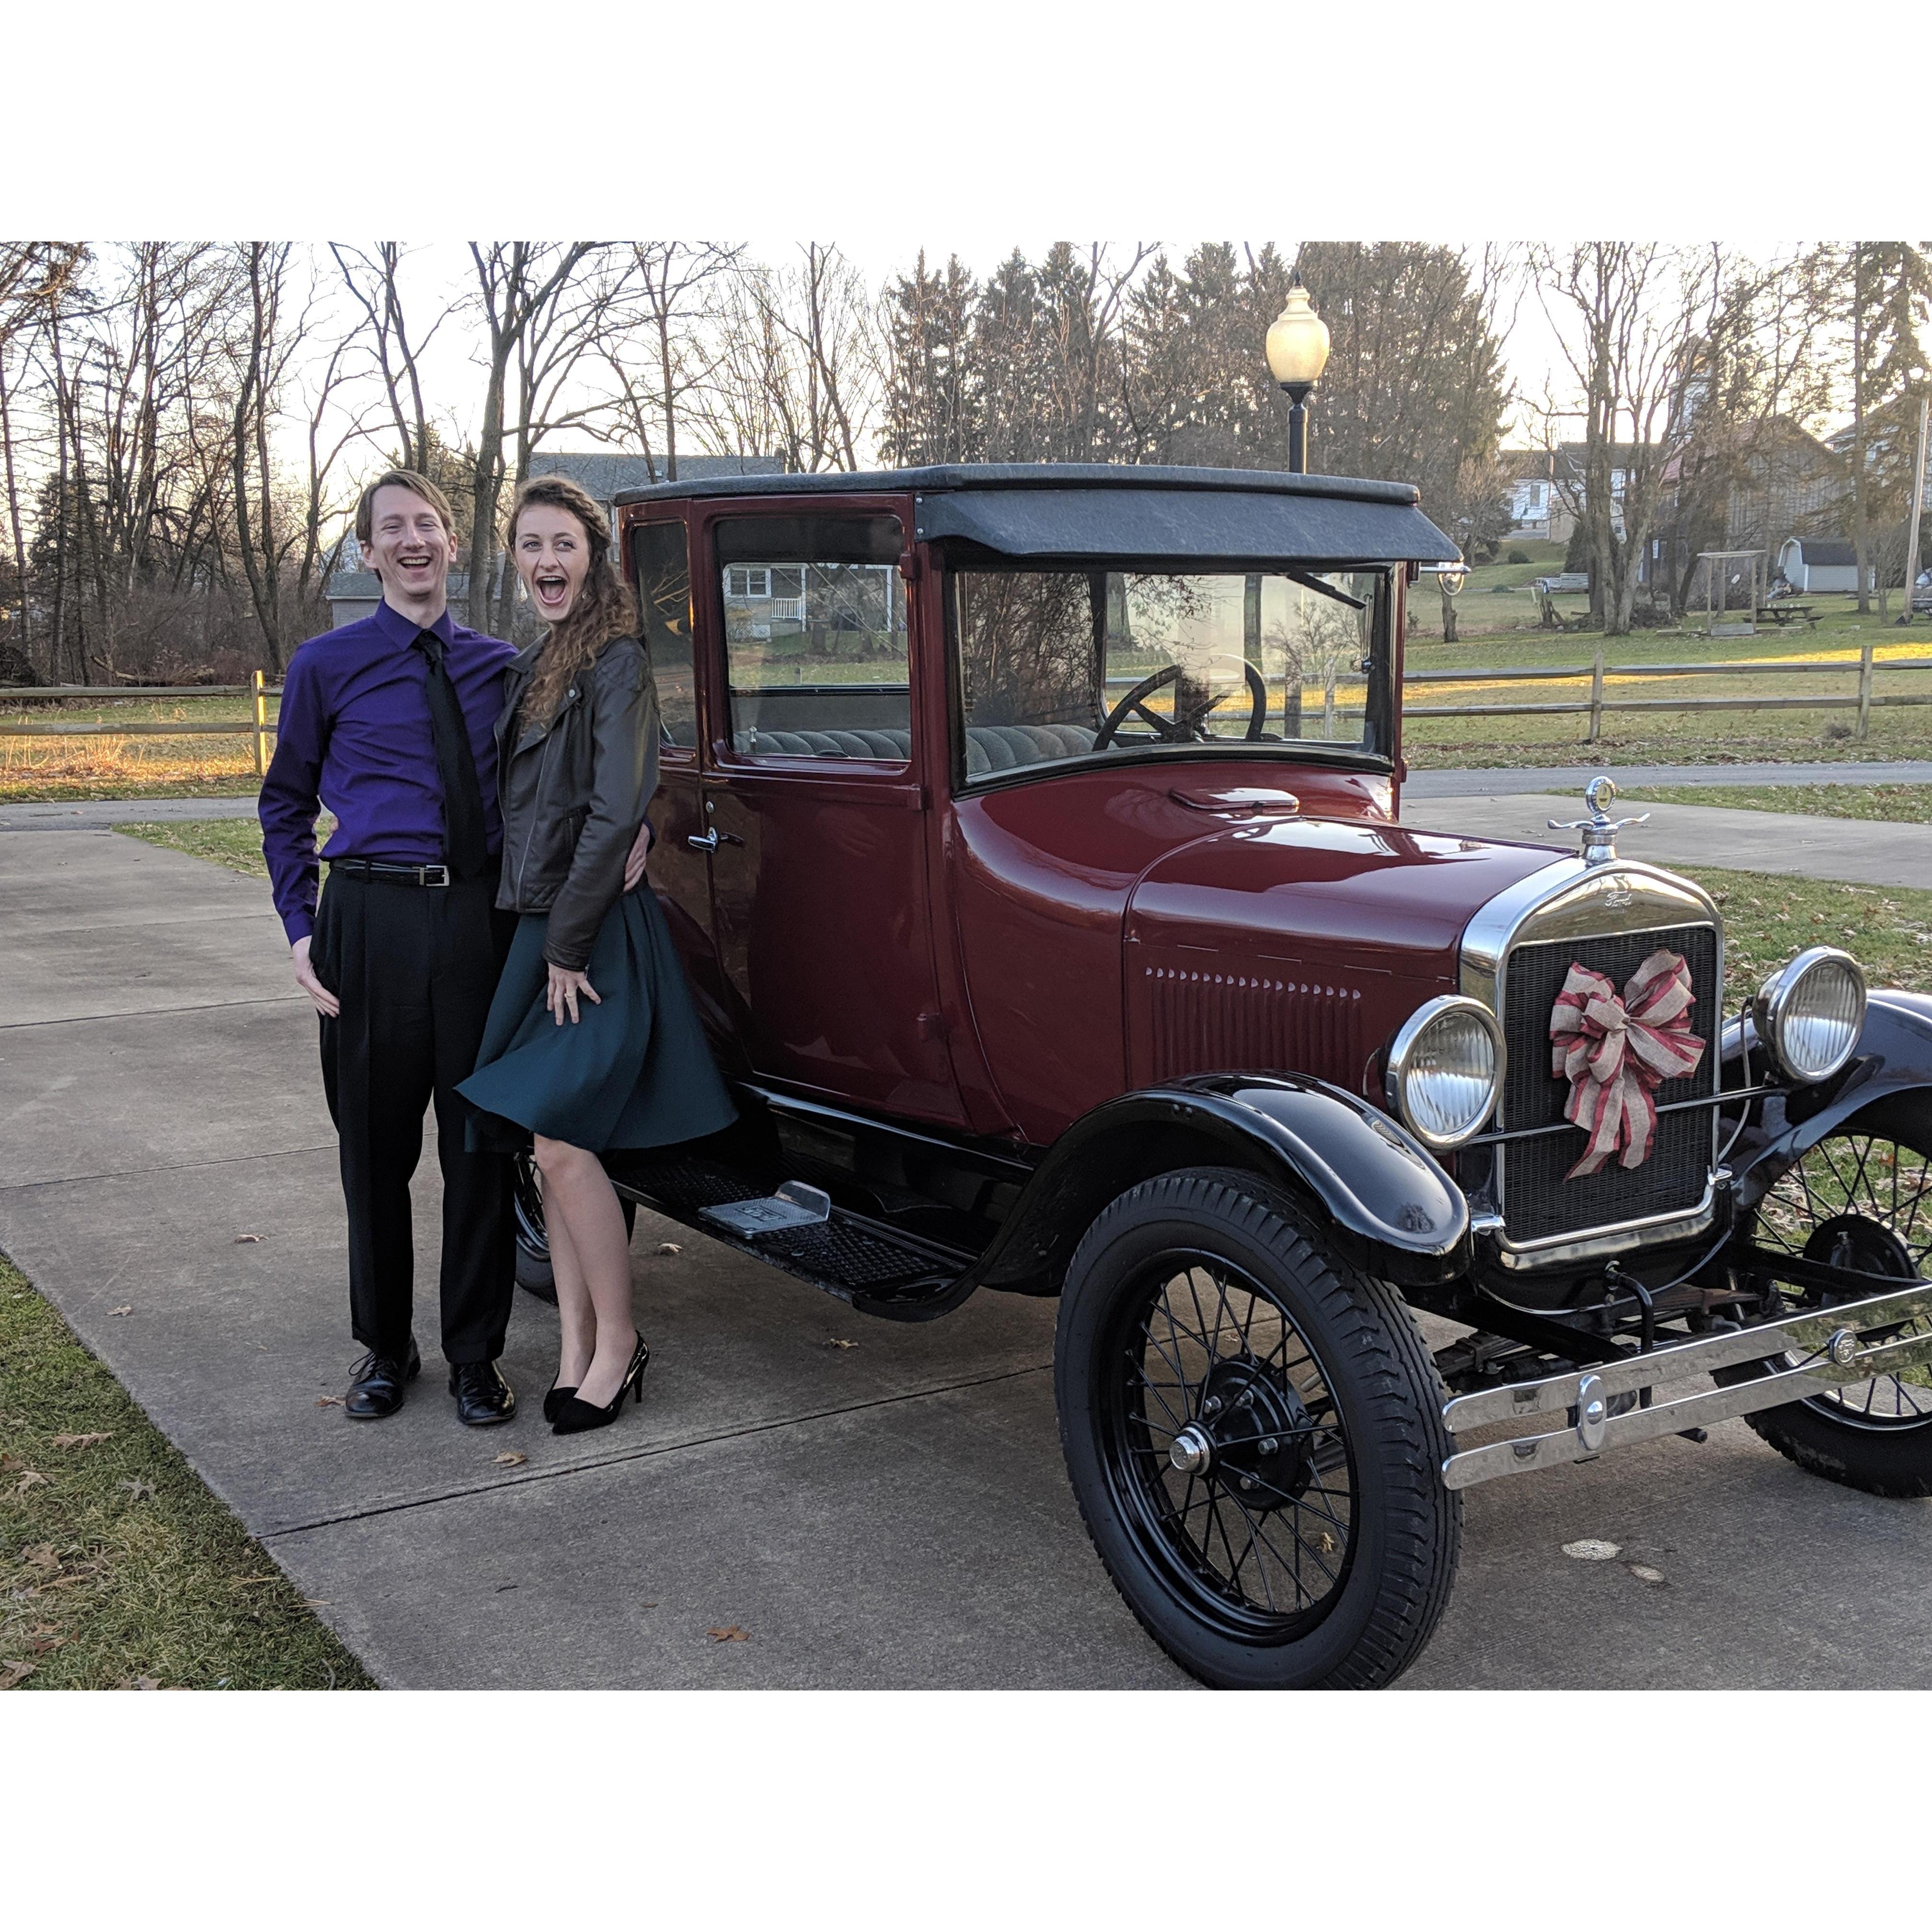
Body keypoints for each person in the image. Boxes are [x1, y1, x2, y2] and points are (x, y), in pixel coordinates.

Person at [259, 469, 650, 1426]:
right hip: (367, 922)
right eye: (392, 529)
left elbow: (575, 767)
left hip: (478, 923)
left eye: (427, 524)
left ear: (453, 544)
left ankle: (476, 1355)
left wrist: (639, 826)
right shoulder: (325, 665)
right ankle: (385, 1350)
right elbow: (283, 804)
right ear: (367, 552)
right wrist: (302, 926)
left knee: (479, 1150)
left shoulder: (506, 668)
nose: (413, 541)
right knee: (375, 1152)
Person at [459, 476, 735, 1436]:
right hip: (542, 922)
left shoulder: (615, 659)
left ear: (592, 557)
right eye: (531, 546)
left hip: (591, 935)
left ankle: (617, 1343)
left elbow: (616, 811)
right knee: (549, 1146)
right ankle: (574, 1348)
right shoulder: (544, 660)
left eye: (563, 545)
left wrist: (569, 945)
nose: (546, 561)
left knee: (569, 1146)